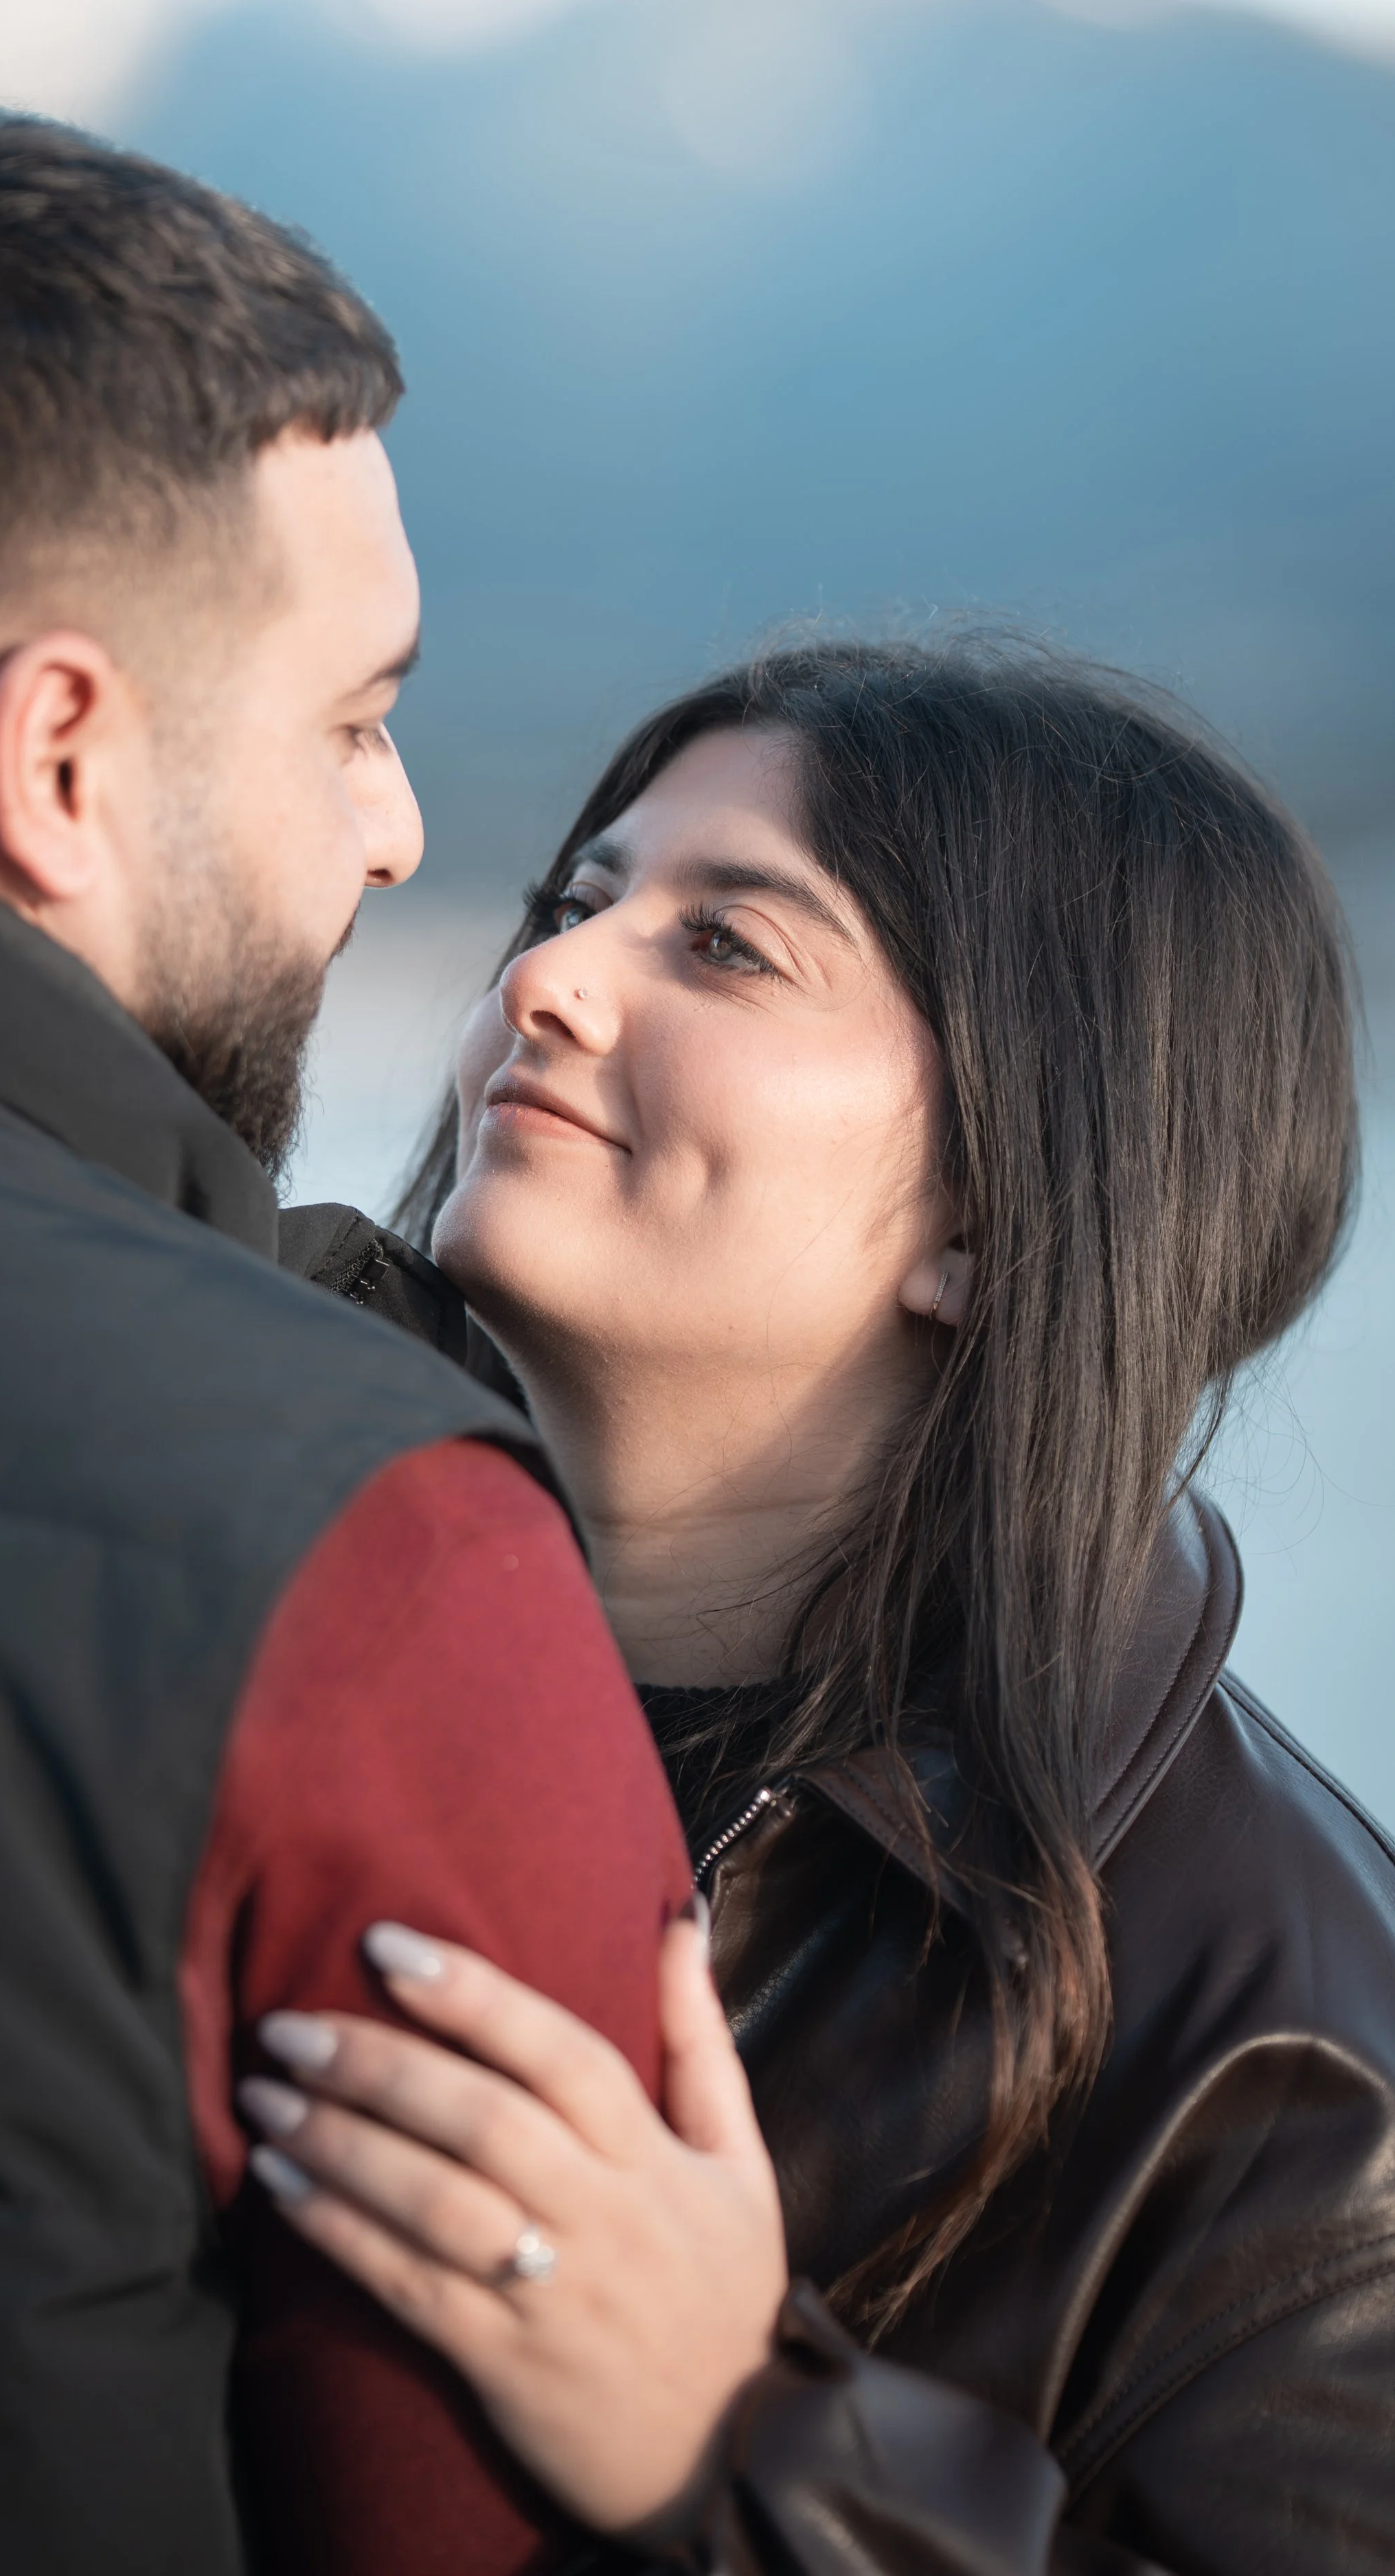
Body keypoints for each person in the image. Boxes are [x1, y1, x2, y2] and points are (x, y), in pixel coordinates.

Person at [0, 107, 697, 2576]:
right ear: (59, 757)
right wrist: (724, 2449)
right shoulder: (358, 1542)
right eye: (356, 717)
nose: (393, 832)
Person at [238, 641, 1395, 2573]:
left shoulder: (1283, 2059)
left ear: (999, 1206)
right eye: (578, 900)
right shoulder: (232, 1547)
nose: (544, 980)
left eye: (728, 948)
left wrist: (742, 2441)